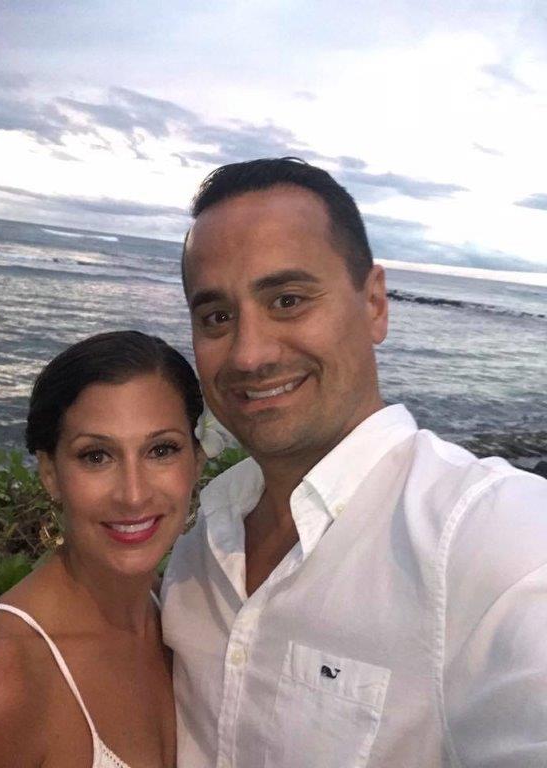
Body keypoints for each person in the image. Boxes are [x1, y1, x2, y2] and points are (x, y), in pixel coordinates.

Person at [162, 158, 547, 768]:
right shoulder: (198, 549)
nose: (249, 354)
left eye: (288, 300)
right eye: (216, 317)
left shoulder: (491, 537)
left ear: (374, 304)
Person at [0, 330, 205, 768]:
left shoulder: (186, 626)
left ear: (197, 460)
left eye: (161, 450)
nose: (133, 495)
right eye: (96, 456)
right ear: (50, 473)